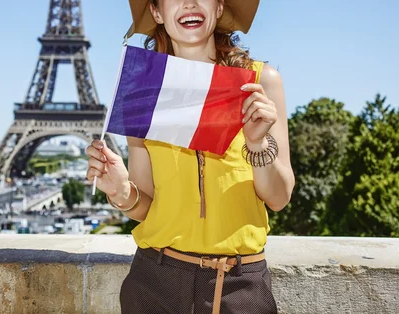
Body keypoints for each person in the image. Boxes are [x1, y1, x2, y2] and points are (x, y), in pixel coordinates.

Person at [86, 0, 295, 313]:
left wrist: (257, 142)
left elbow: (279, 198)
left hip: (240, 287)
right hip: (155, 283)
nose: (189, 3)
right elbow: (145, 206)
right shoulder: (144, 91)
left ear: (220, 7)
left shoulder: (260, 82)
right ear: (156, 12)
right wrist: (120, 191)